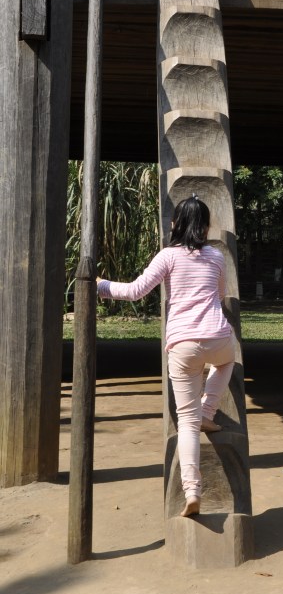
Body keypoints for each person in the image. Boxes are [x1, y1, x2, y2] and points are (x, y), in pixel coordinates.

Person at [96, 196, 236, 518]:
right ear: (205, 227)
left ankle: (192, 490)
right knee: (227, 362)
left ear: (174, 224)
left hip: (182, 343)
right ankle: (209, 409)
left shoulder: (168, 256)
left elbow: (135, 291)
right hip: (217, 336)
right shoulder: (216, 256)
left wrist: (101, 285)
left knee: (185, 422)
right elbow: (220, 296)